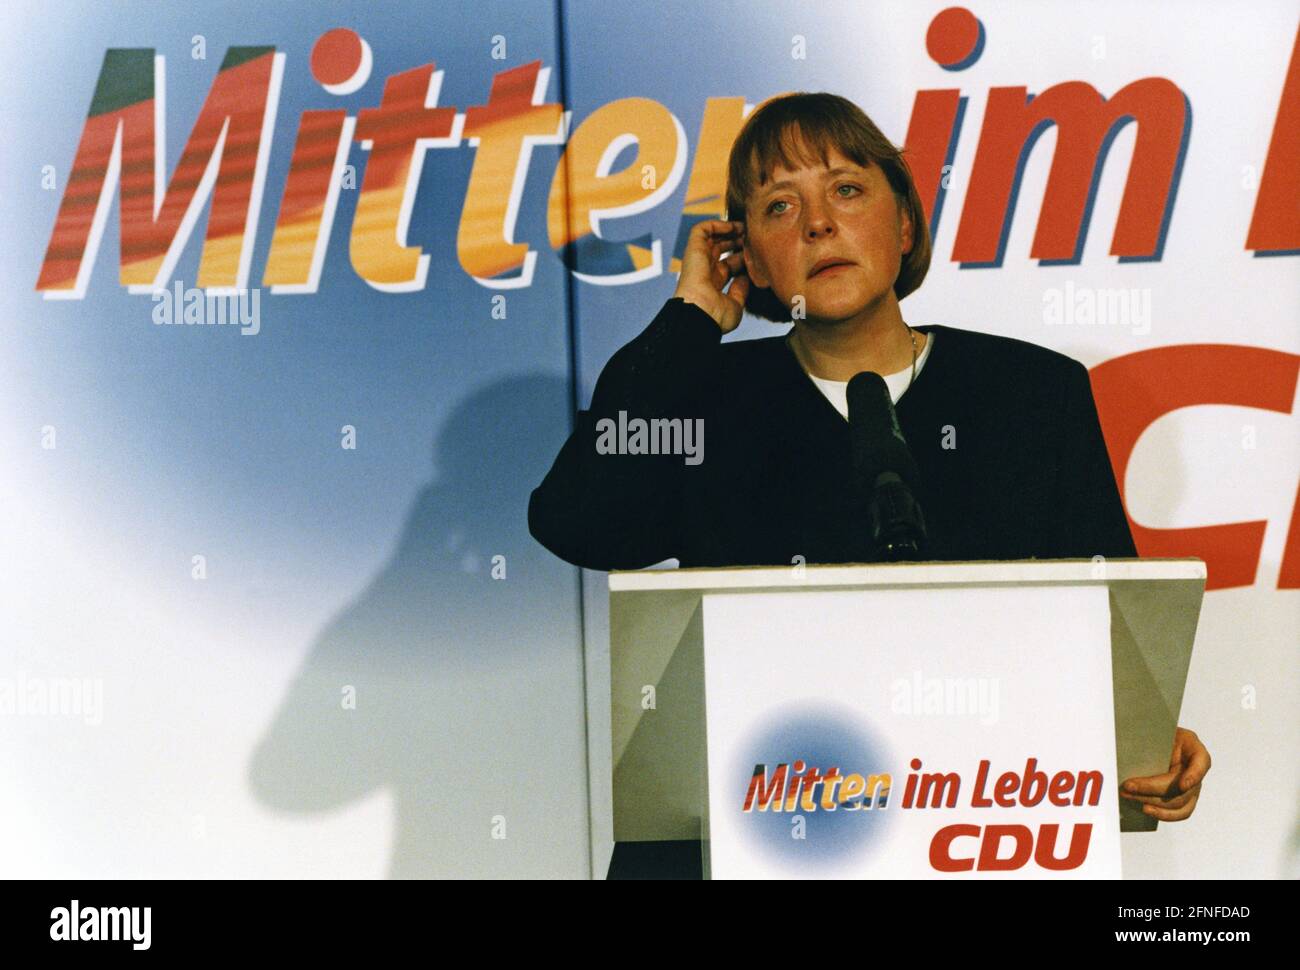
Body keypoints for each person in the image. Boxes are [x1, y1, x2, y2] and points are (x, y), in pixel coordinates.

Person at [528, 93, 1210, 877]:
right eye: (780, 206)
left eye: (847, 190)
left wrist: (1152, 740)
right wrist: (688, 317)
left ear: (906, 224)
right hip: (746, 832)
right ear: (746, 257)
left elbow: (1109, 623)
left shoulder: (1031, 394)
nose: (818, 224)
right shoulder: (704, 398)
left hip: (969, 829)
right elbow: (576, 520)